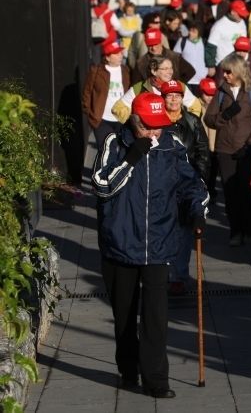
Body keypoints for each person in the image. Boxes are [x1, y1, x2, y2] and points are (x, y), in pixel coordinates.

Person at [92, 92, 208, 398]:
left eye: (158, 126)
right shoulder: (114, 144)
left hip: (159, 242)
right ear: (134, 120)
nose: (154, 133)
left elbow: (191, 185)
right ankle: (129, 368)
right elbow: (102, 186)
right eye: (148, 127)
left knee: (156, 317)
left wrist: (197, 211)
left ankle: (157, 380)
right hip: (121, 243)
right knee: (124, 316)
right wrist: (131, 159)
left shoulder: (171, 145)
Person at [203, 53, 251, 246]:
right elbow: (209, 119)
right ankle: (235, 232)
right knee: (230, 193)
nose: (225, 75)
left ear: (239, 71)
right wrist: (224, 116)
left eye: (228, 71)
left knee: (246, 192)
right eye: (224, 71)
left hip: (246, 150)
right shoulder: (221, 92)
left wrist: (250, 144)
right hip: (225, 150)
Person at [160, 80, 210, 296]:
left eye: (177, 95)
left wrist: (197, 176)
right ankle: (164, 272)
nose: (173, 99)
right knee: (163, 230)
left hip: (187, 185)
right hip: (162, 186)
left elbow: (202, 152)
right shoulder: (157, 123)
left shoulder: (192, 121)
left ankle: (178, 276)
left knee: (184, 232)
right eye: (169, 96)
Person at [113, 55, 202, 122]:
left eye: (171, 68)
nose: (170, 72)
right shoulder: (140, 88)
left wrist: (187, 125)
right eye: (165, 69)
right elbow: (117, 108)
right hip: (150, 135)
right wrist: (137, 124)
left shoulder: (179, 86)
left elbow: (196, 107)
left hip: (174, 136)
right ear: (154, 71)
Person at [82, 39, 131, 147]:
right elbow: (87, 93)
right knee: (106, 149)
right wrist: (91, 114)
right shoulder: (96, 71)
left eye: (120, 52)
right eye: (116, 53)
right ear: (107, 57)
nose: (120, 55)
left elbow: (129, 91)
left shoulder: (125, 70)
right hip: (102, 119)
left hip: (121, 118)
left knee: (121, 150)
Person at [207, 0, 248, 66]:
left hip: (238, 64)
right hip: (223, 65)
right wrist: (210, 66)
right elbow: (211, 47)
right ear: (232, 12)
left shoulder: (242, 22)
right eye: (240, 14)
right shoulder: (219, 25)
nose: (242, 17)